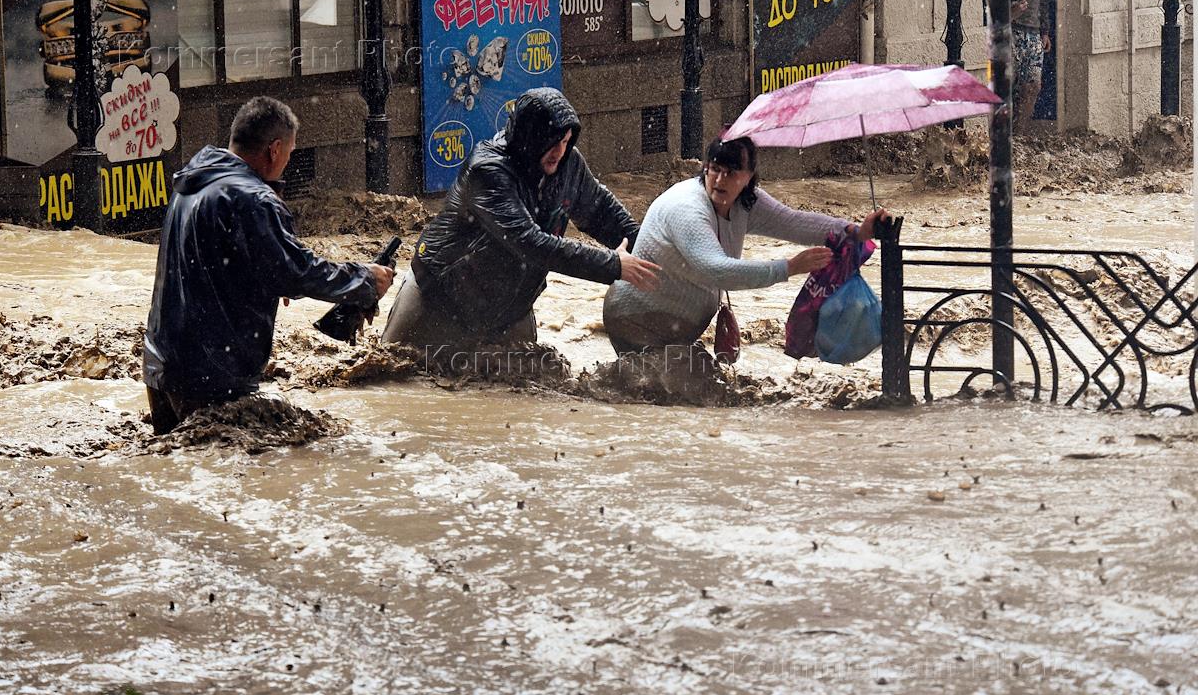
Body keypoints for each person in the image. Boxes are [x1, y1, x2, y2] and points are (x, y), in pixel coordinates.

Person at [143, 96, 395, 434]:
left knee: (179, 462)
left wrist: (269, 272)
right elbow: (296, 272)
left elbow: (216, 262)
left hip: (161, 365)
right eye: (289, 153)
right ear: (275, 150)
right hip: (211, 375)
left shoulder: (195, 181)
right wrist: (364, 279)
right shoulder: (252, 199)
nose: (287, 162)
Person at [382, 87, 659, 351]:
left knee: (528, 382)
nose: (559, 152)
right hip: (437, 301)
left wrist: (655, 255)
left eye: (565, 141)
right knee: (396, 375)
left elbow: (602, 213)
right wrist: (613, 265)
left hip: (509, 311)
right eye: (551, 142)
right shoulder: (488, 170)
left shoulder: (569, 165)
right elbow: (530, 243)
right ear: (529, 137)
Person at [602, 136, 889, 355]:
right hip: (637, 321)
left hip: (676, 326)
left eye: (731, 173)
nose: (720, 180)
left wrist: (857, 231)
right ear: (705, 168)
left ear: (749, 176)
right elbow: (716, 270)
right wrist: (788, 267)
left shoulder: (746, 202)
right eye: (714, 169)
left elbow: (794, 222)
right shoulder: (686, 208)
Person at [1012, 0, 1054, 131]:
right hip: (1010, 29)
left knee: (1033, 86)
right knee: (1007, 84)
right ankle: (1002, 134)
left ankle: (1019, 132)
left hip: (1034, 32)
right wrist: (1009, 13)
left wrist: (1044, 30)